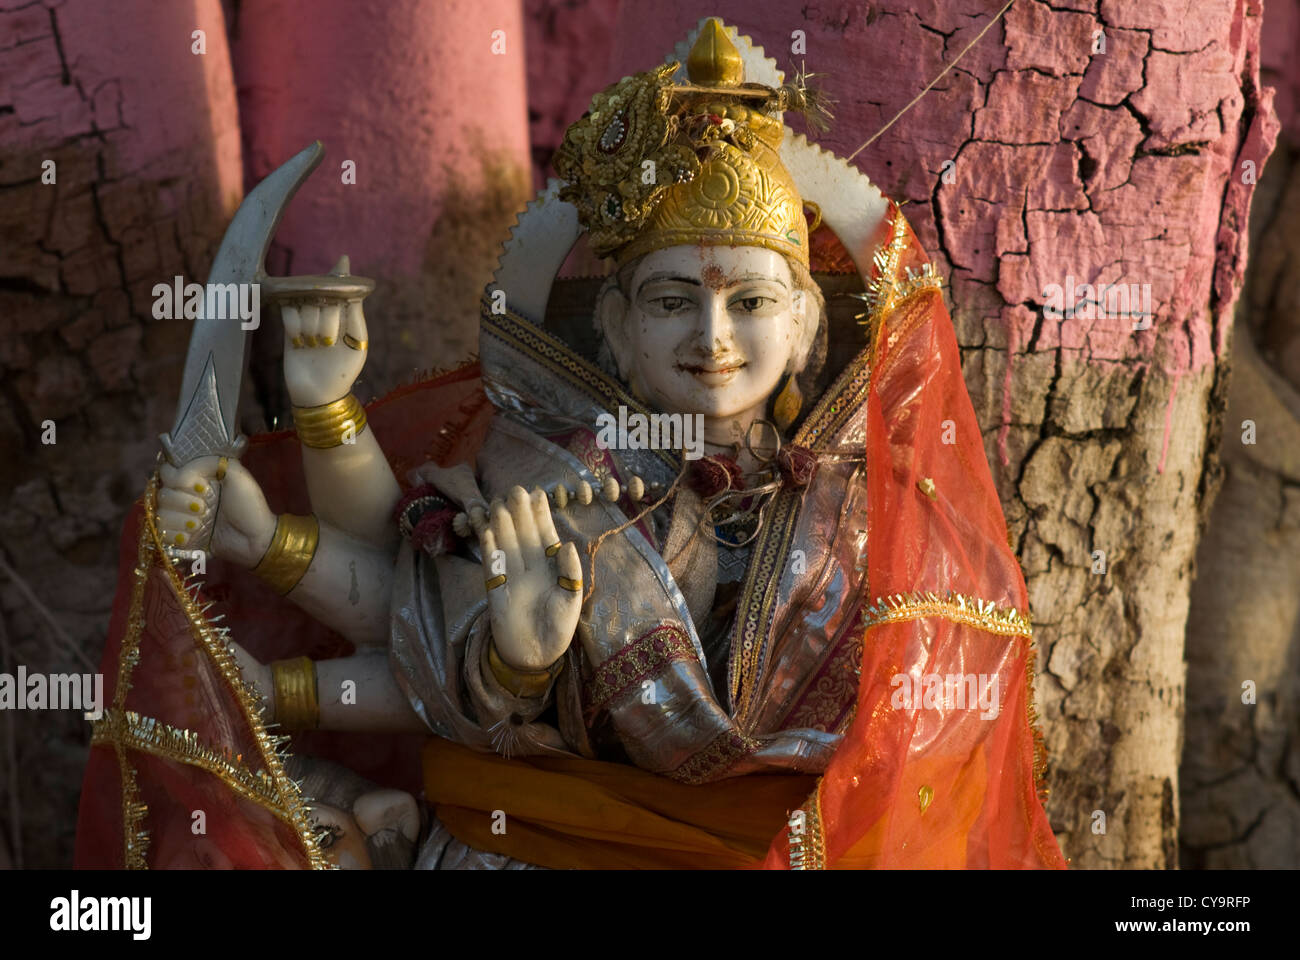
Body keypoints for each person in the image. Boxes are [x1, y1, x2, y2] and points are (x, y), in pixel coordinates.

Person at [78, 18, 1065, 870]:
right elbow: (415, 636)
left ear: (807, 324)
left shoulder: (876, 511)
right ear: (621, 332)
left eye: (751, 302)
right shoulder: (542, 471)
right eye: (674, 302)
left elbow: (935, 729)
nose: (712, 338)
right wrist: (517, 657)